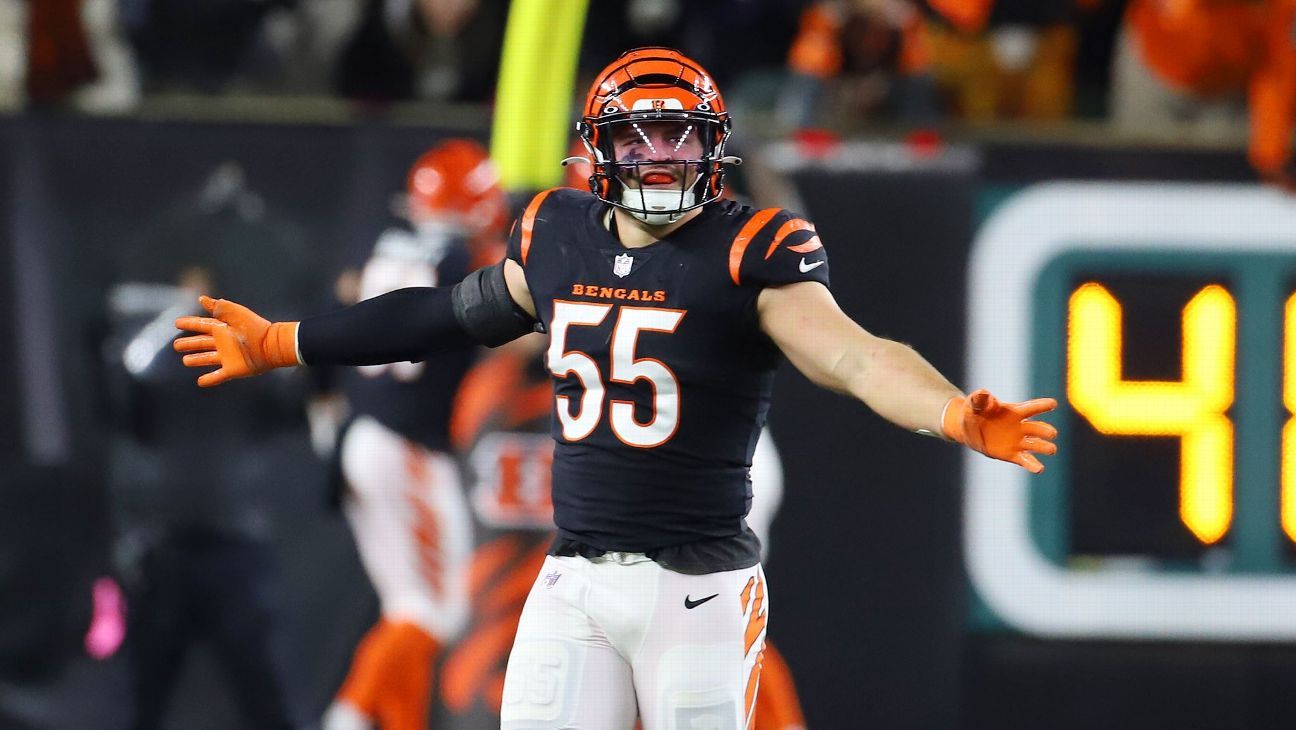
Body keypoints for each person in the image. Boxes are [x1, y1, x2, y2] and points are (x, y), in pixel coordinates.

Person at [173, 47, 1057, 730]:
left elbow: (857, 358)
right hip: (575, 577)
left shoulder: (750, 251)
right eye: (639, 137)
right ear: (599, 149)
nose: (661, 158)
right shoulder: (560, 236)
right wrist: (285, 341)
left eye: (680, 137)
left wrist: (949, 410)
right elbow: (440, 315)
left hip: (699, 585)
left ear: (713, 147)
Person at [320, 138, 508, 730]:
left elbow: (342, 299)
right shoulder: (465, 261)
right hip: (409, 447)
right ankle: (349, 718)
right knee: (436, 611)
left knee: (408, 608)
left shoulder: (385, 244)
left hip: (366, 432)